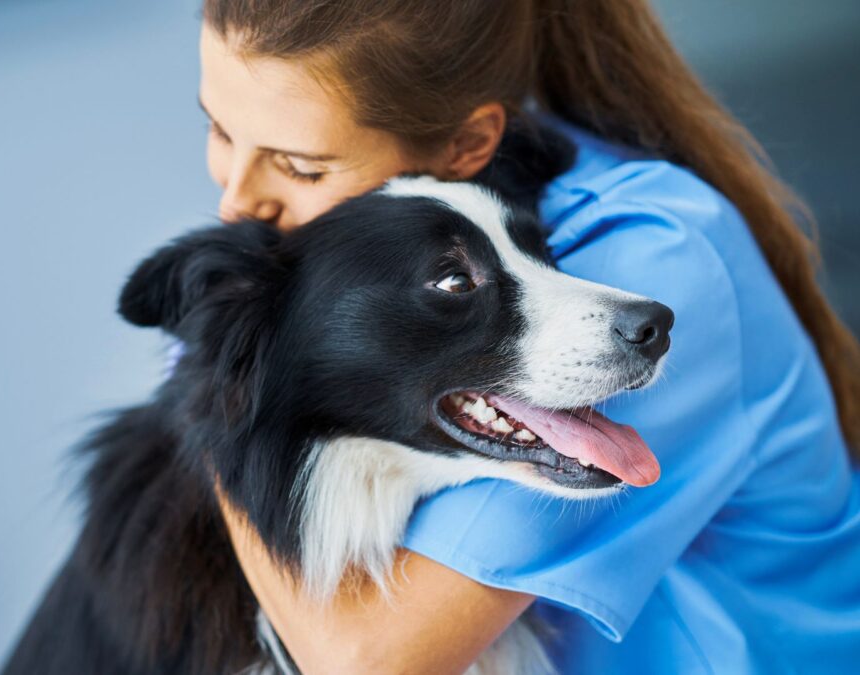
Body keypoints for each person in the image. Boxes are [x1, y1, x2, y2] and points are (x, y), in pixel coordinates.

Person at [185, 0, 860, 672]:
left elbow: (370, 660)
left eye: (303, 167)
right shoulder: (372, 251)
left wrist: (232, 384)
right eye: (219, 130)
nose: (236, 203)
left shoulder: (648, 260)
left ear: (468, 145)